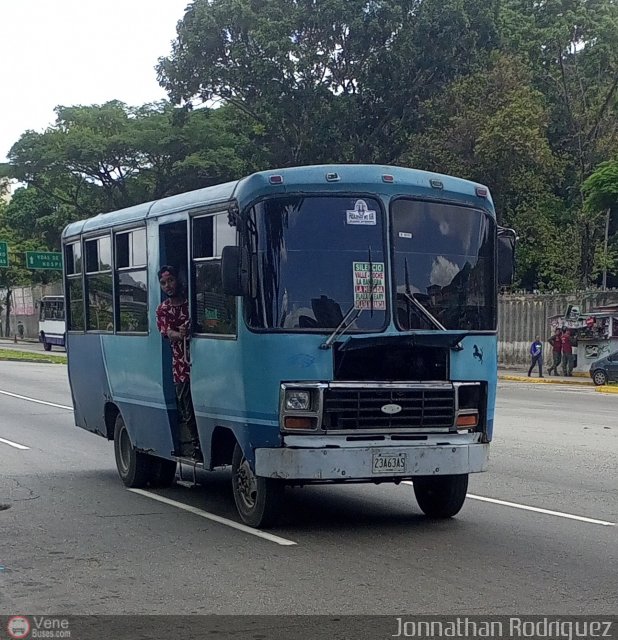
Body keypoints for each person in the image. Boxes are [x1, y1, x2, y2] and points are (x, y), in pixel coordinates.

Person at [155, 265, 202, 460]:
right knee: (187, 407)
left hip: (203, 362)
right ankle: (196, 444)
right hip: (181, 366)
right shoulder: (163, 309)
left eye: (171, 280)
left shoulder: (193, 303)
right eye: (164, 283)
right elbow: (167, 333)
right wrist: (179, 333)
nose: (168, 285)